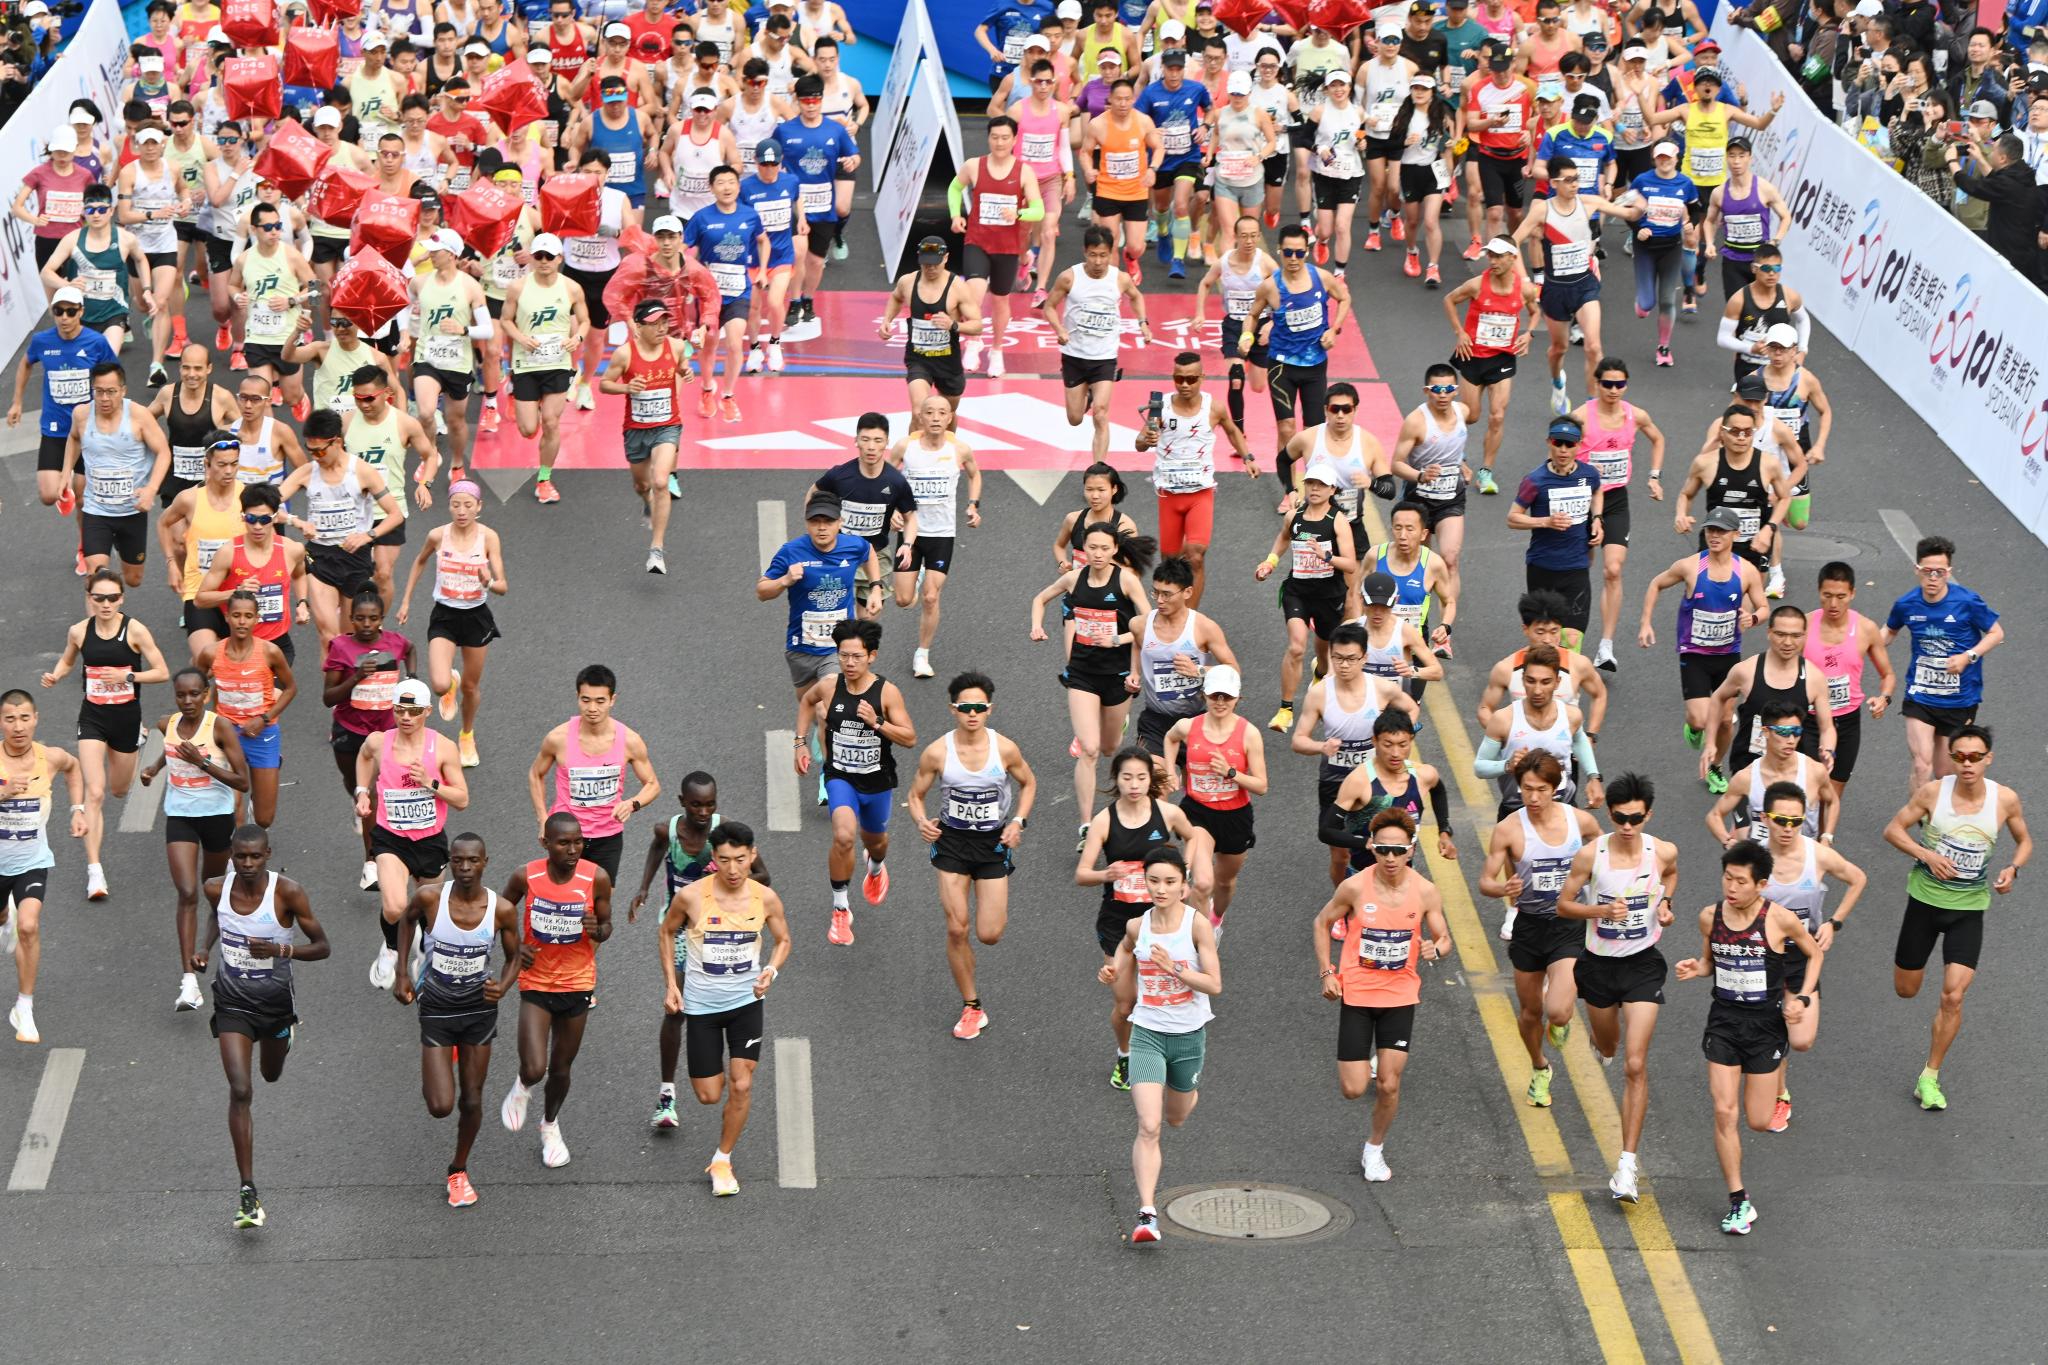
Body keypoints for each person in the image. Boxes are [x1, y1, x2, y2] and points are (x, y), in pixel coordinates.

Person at [1671, 841, 1822, 1235]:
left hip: (1764, 1029)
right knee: (1724, 1112)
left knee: (1757, 1120)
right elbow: (1710, 961)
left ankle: (1780, 1088)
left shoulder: (1780, 920)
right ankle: (1739, 1201)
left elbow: (1814, 953)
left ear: (1762, 884)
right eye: (1727, 878)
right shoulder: (1710, 916)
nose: (1731, 888)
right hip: (1723, 1022)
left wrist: (1803, 997)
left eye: (1741, 881)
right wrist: (1697, 968)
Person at [1882, 724, 2030, 1112]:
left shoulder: (2005, 800)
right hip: (1924, 904)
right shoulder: (1933, 792)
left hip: (1968, 910)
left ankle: (1929, 1077)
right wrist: (1926, 855)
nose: (1967, 764)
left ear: (1988, 759)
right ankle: (1916, 971)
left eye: (1975, 757)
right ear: (1951, 757)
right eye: (1960, 756)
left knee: (1953, 994)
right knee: (1906, 989)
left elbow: (2025, 840)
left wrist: (2013, 868)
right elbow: (1893, 830)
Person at [195, 824, 329, 1229]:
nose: (248, 863)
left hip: (274, 1005)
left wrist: (280, 949)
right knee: (241, 1090)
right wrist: (205, 948)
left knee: (270, 1075)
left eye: (255, 856)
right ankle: (248, 1191)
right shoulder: (216, 888)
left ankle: (285, 1036)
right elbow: (216, 919)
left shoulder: (288, 892)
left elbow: (323, 946)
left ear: (268, 854)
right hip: (232, 1002)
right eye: (241, 857)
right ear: (232, 857)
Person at [1312, 807, 1450, 1183]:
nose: (1390, 858)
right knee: (1354, 1089)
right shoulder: (1355, 887)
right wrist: (1327, 971)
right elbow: (1322, 922)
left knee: (1389, 1083)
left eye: (1398, 850)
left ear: (1411, 850)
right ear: (1371, 847)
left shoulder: (1424, 892)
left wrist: (1436, 949)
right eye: (1383, 850)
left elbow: (1444, 937)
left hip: (1400, 995)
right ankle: (1367, 1064)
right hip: (1357, 994)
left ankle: (1374, 1148)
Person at [1555, 772, 1676, 1201]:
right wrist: (1600, 912)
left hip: (1643, 965)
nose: (1628, 825)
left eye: (1636, 818)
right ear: (1609, 814)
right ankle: (1600, 1045)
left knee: (1635, 1064)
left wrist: (1664, 904)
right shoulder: (1592, 855)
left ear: (1648, 815)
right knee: (1609, 1047)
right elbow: (1564, 904)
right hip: (1599, 966)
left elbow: (1672, 875)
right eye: (1621, 817)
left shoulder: (1661, 851)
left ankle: (1626, 1166)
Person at [657, 821, 791, 1196]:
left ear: (753, 855)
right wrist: (671, 983)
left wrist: (771, 970)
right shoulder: (693, 898)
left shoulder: (765, 899)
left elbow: (783, 940)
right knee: (708, 1095)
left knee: (743, 1083)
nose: (733, 870)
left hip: (746, 1003)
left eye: (740, 860)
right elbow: (666, 931)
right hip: (701, 1008)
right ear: (712, 859)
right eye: (724, 860)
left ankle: (722, 1159)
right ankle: (718, 1144)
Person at [905, 671, 1037, 1040]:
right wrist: (920, 822)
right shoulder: (938, 752)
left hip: (993, 844)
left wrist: (1018, 822)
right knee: (956, 926)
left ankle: (969, 976)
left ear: (989, 709)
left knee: (989, 933)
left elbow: (1029, 783)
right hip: (952, 843)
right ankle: (971, 1005)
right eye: (966, 708)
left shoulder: (1004, 749)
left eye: (980, 707)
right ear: (953, 710)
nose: (973, 714)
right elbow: (915, 795)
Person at [392, 832, 521, 1207]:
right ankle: (439, 1064)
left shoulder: (501, 910)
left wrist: (505, 986)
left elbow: (516, 955)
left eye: (473, 861)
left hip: (479, 1010)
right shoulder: (431, 898)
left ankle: (459, 1170)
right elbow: (405, 922)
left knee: (472, 1098)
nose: (465, 868)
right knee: (440, 1105)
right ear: (450, 862)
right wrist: (402, 973)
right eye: (459, 861)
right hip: (436, 1007)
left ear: (485, 862)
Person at [1103, 845, 1219, 1244]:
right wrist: (1113, 970)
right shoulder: (1139, 926)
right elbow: (1123, 951)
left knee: (1176, 1117)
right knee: (1149, 1125)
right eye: (1154, 881)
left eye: (1170, 882)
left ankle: (1188, 1093)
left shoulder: (1196, 926)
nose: (1161, 889)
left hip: (1188, 1036)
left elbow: (1215, 984)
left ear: (1184, 887)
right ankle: (1146, 1213)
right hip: (1148, 1033)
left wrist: (1177, 971)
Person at [1481, 750, 1605, 1108]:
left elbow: (1604, 852)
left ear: (1556, 788)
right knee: (1530, 1012)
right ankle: (1539, 1067)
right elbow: (1485, 881)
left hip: (1568, 923)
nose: (1532, 798)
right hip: (1529, 926)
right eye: (1526, 789)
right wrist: (1502, 889)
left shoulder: (1578, 822)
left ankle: (1561, 1018)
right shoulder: (1508, 830)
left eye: (1540, 790)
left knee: (1559, 1011)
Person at [40, 572, 171, 902]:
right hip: (93, 717)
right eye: (99, 598)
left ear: (122, 598)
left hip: (126, 717)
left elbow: (162, 671)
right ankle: (95, 872)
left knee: (118, 789)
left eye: (113, 598)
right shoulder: (79, 631)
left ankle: (138, 740)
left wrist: (128, 674)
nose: (106, 604)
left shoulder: (135, 630)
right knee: (95, 792)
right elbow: (68, 660)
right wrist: (56, 675)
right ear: (89, 598)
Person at [498, 814, 614, 1170]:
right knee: (535, 1066)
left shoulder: (596, 877)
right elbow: (501, 914)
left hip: (578, 982)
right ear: (545, 844)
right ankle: (522, 1086)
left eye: (578, 841)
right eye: (563, 843)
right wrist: (515, 949)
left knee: (561, 1067)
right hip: (536, 981)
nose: (573, 849)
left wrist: (598, 928)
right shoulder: (526, 876)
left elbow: (607, 927)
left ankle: (550, 1127)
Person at [1029, 522, 1154, 847]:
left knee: (1111, 747)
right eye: (1092, 548)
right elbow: (1040, 598)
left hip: (1117, 676)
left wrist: (1117, 639)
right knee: (1089, 749)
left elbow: (1148, 624)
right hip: (1082, 673)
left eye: (1104, 548)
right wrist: (1036, 626)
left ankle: (1118, 721)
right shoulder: (1074, 578)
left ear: (1114, 550)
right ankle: (1086, 825)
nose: (1097, 554)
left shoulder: (1126, 580)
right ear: (1084, 550)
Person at [1751, 780, 1866, 1131]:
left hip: (1802, 955)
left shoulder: (1817, 855)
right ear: (1764, 818)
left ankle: (1775, 1059)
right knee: (1773, 1023)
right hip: (1762, 956)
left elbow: (1858, 878)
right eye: (1780, 820)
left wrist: (1834, 923)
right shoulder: (1751, 855)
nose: (1787, 828)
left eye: (1795, 821)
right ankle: (1779, 1094)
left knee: (1801, 1039)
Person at [795, 619, 915, 946]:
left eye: (857, 657)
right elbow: (807, 702)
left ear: (871, 656)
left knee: (876, 842)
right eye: (844, 655)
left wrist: (877, 722)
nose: (849, 663)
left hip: (876, 782)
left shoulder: (886, 693)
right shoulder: (830, 686)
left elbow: (909, 737)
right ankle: (840, 909)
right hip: (840, 777)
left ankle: (875, 868)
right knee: (844, 836)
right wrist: (799, 742)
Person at [140, 667, 249, 1011]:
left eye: (194, 694)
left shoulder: (219, 727)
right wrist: (154, 769)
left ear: (206, 694)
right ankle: (189, 981)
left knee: (212, 890)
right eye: (181, 695)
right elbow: (171, 749)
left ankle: (211, 948)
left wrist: (203, 763)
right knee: (187, 892)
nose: (188, 701)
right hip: (181, 817)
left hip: (216, 819)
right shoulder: (166, 724)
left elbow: (243, 781)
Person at [758, 491, 886, 784]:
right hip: (800, 649)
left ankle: (829, 778)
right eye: (815, 521)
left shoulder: (852, 546)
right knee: (811, 704)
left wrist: (876, 587)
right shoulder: (791, 551)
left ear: (840, 523)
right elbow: (761, 591)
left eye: (828, 521)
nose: (822, 527)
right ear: (807, 524)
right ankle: (822, 734)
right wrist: (785, 581)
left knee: (825, 708)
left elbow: (868, 552)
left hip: (838, 649)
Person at [1635, 507, 1764, 790]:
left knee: (1727, 720)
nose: (1714, 536)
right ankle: (1693, 726)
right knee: (1701, 718)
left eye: (1721, 531)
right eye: (1710, 530)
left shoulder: (1747, 571)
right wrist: (1646, 622)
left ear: (1736, 535)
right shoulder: (1691, 566)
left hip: (1728, 655)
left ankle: (1716, 767)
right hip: (1694, 655)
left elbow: (1764, 606)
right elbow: (1656, 584)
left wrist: (1752, 617)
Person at [358, 677, 470, 988]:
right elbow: (364, 757)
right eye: (399, 710)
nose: (406, 717)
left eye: (414, 711)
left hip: (430, 841)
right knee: (394, 906)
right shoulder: (380, 742)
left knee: (428, 912)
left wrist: (431, 784)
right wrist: (361, 791)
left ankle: (422, 946)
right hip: (390, 838)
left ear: (428, 711)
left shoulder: (443, 748)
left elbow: (462, 799)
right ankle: (393, 947)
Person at [1292, 623, 1422, 887]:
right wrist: (1321, 747)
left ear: (1364, 657)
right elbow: (1298, 740)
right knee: (1340, 853)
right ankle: (1344, 903)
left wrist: (1395, 739)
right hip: (1335, 780)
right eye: (1338, 658)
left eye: (1351, 659)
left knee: (1382, 846)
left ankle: (1385, 899)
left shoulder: (1381, 688)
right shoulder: (1319, 694)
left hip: (1376, 781)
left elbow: (1411, 710)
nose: (1344, 665)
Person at [396, 482, 506, 770]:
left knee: (470, 687)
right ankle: (450, 684)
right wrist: (406, 600)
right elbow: (418, 562)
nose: (462, 511)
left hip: (475, 616)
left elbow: (503, 585)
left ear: (479, 507)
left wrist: (489, 582)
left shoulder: (489, 538)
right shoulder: (437, 536)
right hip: (444, 615)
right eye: (456, 504)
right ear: (449, 506)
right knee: (440, 683)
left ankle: (467, 734)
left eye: (468, 505)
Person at [1132, 350, 1255, 608]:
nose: (1185, 385)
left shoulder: (1214, 407)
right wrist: (1147, 439)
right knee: (1170, 561)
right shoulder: (1161, 408)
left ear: (1202, 378)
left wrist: (1248, 457)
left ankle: (1190, 619)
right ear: (1173, 378)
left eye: (1191, 379)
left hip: (1200, 493)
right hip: (1170, 495)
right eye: (1179, 379)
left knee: (1195, 557)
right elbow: (1140, 443)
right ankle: (1171, 610)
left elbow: (1233, 431)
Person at [1511, 154, 1631, 413]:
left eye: (1577, 178)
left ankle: (1590, 407)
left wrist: (1643, 203)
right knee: (1558, 348)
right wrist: (1523, 280)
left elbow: (1627, 211)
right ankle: (1557, 382)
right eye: (1568, 180)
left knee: (1594, 346)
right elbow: (1511, 245)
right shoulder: (1542, 209)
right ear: (1554, 183)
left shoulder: (1588, 202)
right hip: (1555, 289)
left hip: (1585, 284)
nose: (1574, 184)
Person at [1883, 535, 2002, 792]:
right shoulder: (1906, 604)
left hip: (1959, 699)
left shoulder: (1967, 602)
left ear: (1949, 572)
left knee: (1943, 773)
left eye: (1940, 572)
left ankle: (1937, 818)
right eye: (1927, 571)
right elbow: (1887, 634)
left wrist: (1968, 657)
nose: (1933, 578)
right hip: (1921, 695)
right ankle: (1921, 827)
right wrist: (1856, 650)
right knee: (1921, 765)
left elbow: (1996, 634)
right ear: (1917, 571)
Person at [0, 691, 85, 1046]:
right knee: (4, 918)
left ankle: (24, 1007)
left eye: (24, 718)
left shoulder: (48, 757)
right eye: (9, 719)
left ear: (36, 718)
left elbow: (74, 767)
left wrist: (77, 808)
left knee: (30, 926)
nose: (18, 727)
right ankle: (5, 917)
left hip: (32, 861)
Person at [279, 409, 404, 650]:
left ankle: (347, 686)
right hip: (320, 556)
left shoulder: (363, 472)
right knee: (329, 638)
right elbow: (268, 506)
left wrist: (368, 536)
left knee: (350, 640)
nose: (315, 456)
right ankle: (331, 688)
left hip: (355, 558)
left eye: (320, 450)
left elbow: (395, 514)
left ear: (337, 442)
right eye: (310, 451)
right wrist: (297, 521)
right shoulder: (307, 472)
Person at [1571, 357, 1664, 671]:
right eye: (1607, 384)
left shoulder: (1635, 415)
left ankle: (1606, 647)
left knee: (1613, 569)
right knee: (1581, 568)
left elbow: (1658, 438)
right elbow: (1558, 450)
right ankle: (1571, 630)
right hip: (1582, 499)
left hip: (1615, 500)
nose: (1613, 390)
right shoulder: (1581, 417)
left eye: (1619, 384)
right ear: (1597, 384)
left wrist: (1654, 476)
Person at [527, 664, 661, 883]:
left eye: (600, 701)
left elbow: (653, 784)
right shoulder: (558, 738)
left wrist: (632, 803)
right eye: (585, 700)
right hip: (565, 833)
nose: (592, 708)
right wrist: (543, 818)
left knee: (601, 906)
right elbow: (535, 774)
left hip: (608, 835)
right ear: (577, 697)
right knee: (565, 900)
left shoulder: (629, 740)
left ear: (612, 700)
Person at [887, 395, 982, 678]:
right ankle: (916, 576)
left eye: (943, 412)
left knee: (931, 597)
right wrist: (890, 508)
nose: (937, 418)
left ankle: (922, 654)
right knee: (904, 600)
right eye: (930, 412)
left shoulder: (960, 449)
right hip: (910, 532)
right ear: (921, 417)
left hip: (942, 533)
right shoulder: (906, 447)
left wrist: (973, 505)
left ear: (950, 417)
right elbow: (887, 478)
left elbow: (975, 475)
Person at [1240, 223, 1350, 466]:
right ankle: (1289, 491)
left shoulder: (1321, 277)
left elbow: (1344, 298)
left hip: (1315, 366)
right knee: (1287, 428)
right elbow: (1252, 315)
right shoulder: (1270, 286)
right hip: (1281, 366)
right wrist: (1246, 337)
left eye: (1299, 253)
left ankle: (1312, 487)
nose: (1293, 258)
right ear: (1279, 250)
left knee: (1313, 431)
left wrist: (1334, 329)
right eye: (1288, 252)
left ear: (1307, 252)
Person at [595, 298, 690, 575]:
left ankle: (656, 550)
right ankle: (645, 502)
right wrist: (627, 388)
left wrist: (685, 371)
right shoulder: (625, 354)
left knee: (661, 481)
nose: (662, 328)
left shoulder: (674, 346)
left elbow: (682, 366)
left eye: (665, 322)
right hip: (636, 430)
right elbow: (604, 384)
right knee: (642, 485)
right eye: (654, 323)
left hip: (667, 426)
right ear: (638, 327)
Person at [61, 362, 174, 590]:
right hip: (96, 509)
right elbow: (73, 438)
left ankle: (120, 551)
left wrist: (151, 489)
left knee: (133, 579)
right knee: (96, 578)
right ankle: (105, 612)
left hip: (132, 510)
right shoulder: (82, 414)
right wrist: (66, 473)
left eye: (111, 392)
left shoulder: (139, 416)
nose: (104, 398)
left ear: (123, 390)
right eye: (99, 391)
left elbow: (163, 451)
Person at [1701, 604, 1836, 792]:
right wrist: (1709, 744)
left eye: (1796, 636)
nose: (1788, 642)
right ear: (1769, 633)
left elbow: (1827, 726)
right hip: (1748, 766)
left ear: (1805, 636)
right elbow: (1717, 698)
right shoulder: (1745, 671)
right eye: (1781, 634)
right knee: (1745, 822)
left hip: (1792, 770)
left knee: (1781, 820)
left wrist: (1828, 750)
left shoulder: (1814, 678)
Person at [1044, 226, 1151, 460]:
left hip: (1104, 357)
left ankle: (1098, 469)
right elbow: (1049, 306)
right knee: (1075, 418)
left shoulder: (1120, 279)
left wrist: (1143, 323)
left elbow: (1136, 297)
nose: (1098, 261)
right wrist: (1059, 329)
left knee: (1101, 414)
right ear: (1085, 252)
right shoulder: (1069, 277)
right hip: (1074, 355)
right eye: (1093, 254)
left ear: (1111, 253)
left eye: (1103, 255)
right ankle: (1087, 397)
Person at [8, 287, 117, 511]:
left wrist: (114, 413)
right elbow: (26, 363)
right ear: (53, 312)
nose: (64, 317)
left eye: (70, 311)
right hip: (55, 428)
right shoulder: (42, 341)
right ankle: (63, 489)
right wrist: (17, 402)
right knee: (48, 495)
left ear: (80, 312)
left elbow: (114, 376)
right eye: (59, 311)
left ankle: (84, 544)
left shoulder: (96, 342)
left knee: (84, 499)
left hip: (88, 429)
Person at [952, 115, 1046, 375]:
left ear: (1015, 140)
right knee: (973, 294)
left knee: (1000, 301)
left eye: (1005, 137)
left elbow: (1038, 210)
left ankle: (996, 350)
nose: (999, 142)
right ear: (988, 138)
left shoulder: (1024, 171)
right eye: (995, 137)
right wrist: (955, 214)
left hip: (1007, 247)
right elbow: (954, 187)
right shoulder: (974, 165)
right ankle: (973, 342)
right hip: (977, 240)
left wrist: (1018, 213)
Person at [500, 233, 590, 505]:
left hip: (557, 363)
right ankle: (517, 396)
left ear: (560, 259)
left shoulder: (572, 288)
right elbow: (505, 320)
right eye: (538, 256)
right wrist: (521, 338)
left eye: (549, 257)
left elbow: (585, 321)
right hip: (527, 363)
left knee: (551, 422)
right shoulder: (518, 287)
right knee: (528, 429)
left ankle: (544, 479)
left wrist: (577, 339)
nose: (543, 261)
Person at [195, 589, 296, 830]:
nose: (242, 621)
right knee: (231, 806)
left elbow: (291, 688)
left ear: (257, 619)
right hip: (228, 735)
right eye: (237, 615)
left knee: (263, 819)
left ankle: (260, 792)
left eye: (248, 616)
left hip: (263, 733)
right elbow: (195, 687)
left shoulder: (270, 652)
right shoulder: (211, 653)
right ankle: (232, 861)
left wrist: (264, 718)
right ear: (227, 617)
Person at [1442, 238, 1538, 491]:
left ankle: (1485, 472)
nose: (1492, 261)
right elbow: (1449, 300)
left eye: (1498, 256)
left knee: (1497, 416)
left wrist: (1528, 334)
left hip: (1502, 359)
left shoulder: (1524, 290)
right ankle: (1452, 448)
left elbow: (1535, 310)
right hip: (1472, 356)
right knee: (1471, 415)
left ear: (1512, 258)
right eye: (1490, 256)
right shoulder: (1476, 285)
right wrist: (1459, 332)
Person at [1319, 710, 1456, 885]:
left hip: (1403, 875)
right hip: (1363, 878)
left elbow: (1438, 791)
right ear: (1374, 741)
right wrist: (1366, 843)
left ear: (1411, 741)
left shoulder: (1424, 775)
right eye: (1388, 744)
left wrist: (1444, 832)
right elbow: (1326, 831)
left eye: (1402, 744)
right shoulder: (1359, 781)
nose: (1396, 753)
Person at [1672, 403, 1796, 591]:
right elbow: (1686, 494)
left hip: (1754, 545)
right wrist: (1681, 514)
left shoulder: (1768, 464)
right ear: (1723, 432)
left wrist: (1769, 529)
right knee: (1706, 599)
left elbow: (1785, 498)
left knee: (1745, 608)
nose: (1741, 438)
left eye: (1747, 432)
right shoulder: (1705, 463)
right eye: (1735, 431)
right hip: (1714, 543)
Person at [403, 229, 493, 486]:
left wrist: (463, 329)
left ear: (452, 254)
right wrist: (403, 331)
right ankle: (430, 456)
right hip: (427, 357)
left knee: (455, 421)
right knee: (426, 412)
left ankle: (456, 463)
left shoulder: (470, 287)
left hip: (457, 361)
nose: (431, 254)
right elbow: (404, 307)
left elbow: (488, 329)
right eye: (430, 249)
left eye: (436, 250)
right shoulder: (420, 283)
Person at [681, 164, 771, 422]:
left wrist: (763, 270)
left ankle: (728, 395)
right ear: (711, 188)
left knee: (734, 343)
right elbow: (686, 249)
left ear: (738, 186)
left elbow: (763, 240)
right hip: (708, 295)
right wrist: (688, 274)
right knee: (709, 345)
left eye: (731, 182)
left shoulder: (750, 215)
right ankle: (707, 388)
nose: (726, 187)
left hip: (738, 290)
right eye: (720, 183)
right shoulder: (701, 217)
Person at [1804, 561, 1895, 812]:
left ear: (1852, 593)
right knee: (1808, 794)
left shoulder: (1865, 629)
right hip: (1809, 721)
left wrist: (1884, 699)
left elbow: (1887, 674)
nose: (1834, 604)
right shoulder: (1804, 625)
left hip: (1847, 722)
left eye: (1841, 597)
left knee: (1831, 797)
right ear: (1819, 592)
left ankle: (1823, 844)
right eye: (1827, 596)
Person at [1130, 555, 1237, 767]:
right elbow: (1137, 644)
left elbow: (1233, 670)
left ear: (1187, 592)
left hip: (1197, 720)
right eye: (1156, 592)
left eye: (1167, 594)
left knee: (1196, 794)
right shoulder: (1140, 625)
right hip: (1155, 721)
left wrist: (1199, 670)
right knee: (1155, 787)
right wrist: (1134, 673)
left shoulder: (1204, 628)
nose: (1159, 600)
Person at [811, 414, 918, 620]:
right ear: (856, 440)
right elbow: (813, 495)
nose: (871, 447)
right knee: (837, 619)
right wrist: (817, 530)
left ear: (886, 443)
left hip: (876, 557)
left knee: (866, 621)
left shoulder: (896, 481)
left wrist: (907, 544)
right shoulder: (840, 475)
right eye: (865, 439)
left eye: (877, 440)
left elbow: (910, 518)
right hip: (839, 555)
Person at [1508, 416, 1603, 639]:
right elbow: (1512, 518)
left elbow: (1597, 490)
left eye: (1569, 444)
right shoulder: (1535, 480)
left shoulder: (1589, 475)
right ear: (1548, 442)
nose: (1563, 450)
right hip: (1542, 568)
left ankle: (1566, 674)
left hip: (1576, 568)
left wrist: (1598, 518)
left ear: (1579, 445)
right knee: (1544, 638)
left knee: (1571, 639)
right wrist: (1545, 522)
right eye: (1557, 443)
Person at [777, 73, 861, 323]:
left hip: (824, 206)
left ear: (822, 101)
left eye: (815, 100)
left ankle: (808, 299)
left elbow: (855, 156)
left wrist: (850, 161)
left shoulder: (836, 130)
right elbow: (771, 159)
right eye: (806, 101)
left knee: (815, 261)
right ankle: (793, 302)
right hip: (795, 207)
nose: (811, 106)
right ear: (798, 102)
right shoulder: (784, 130)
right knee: (797, 254)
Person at [1476, 590, 1610, 738]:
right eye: (1540, 632)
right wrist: (1508, 737)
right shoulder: (1505, 669)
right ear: (1525, 629)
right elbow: (1485, 708)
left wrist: (1591, 736)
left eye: (1554, 631)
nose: (1547, 639)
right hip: (1524, 754)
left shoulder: (1579, 665)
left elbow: (1599, 695)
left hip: (1566, 753)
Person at [879, 237, 982, 420]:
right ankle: (912, 447)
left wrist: (954, 325)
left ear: (946, 258)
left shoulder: (957, 287)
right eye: (926, 264)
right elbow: (896, 297)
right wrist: (887, 319)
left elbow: (977, 325)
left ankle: (948, 447)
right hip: (918, 359)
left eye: (935, 264)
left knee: (946, 416)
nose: (931, 268)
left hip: (948, 362)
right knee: (920, 413)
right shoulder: (908, 282)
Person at [1707, 699, 1832, 847]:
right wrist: (1728, 842)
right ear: (1766, 732)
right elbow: (1714, 815)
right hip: (1762, 863)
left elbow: (1832, 802)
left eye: (1796, 732)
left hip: (1803, 862)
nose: (1791, 740)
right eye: (1784, 732)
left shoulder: (1814, 771)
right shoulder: (1746, 777)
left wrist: (1826, 837)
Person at [1195, 214, 1275, 433]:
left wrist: (1272, 323)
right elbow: (1205, 283)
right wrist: (1200, 313)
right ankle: (1239, 431)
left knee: (1258, 386)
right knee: (1236, 379)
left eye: (1253, 236)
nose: (1249, 241)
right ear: (1235, 237)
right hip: (1233, 326)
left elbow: (1284, 290)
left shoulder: (1266, 262)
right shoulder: (1224, 262)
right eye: (1244, 236)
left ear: (1258, 236)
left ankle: (1247, 358)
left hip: (1261, 325)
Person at [1080, 77, 1162, 273]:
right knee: (1112, 241)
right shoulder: (1098, 124)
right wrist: (1088, 169)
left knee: (1136, 245)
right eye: (1119, 99)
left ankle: (1131, 257)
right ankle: (1113, 287)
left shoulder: (1143, 121)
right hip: (1108, 190)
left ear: (1133, 99)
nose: (1123, 103)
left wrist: (1153, 169)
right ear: (1110, 99)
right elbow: (1085, 152)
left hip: (1136, 192)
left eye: (1127, 99)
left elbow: (1158, 147)